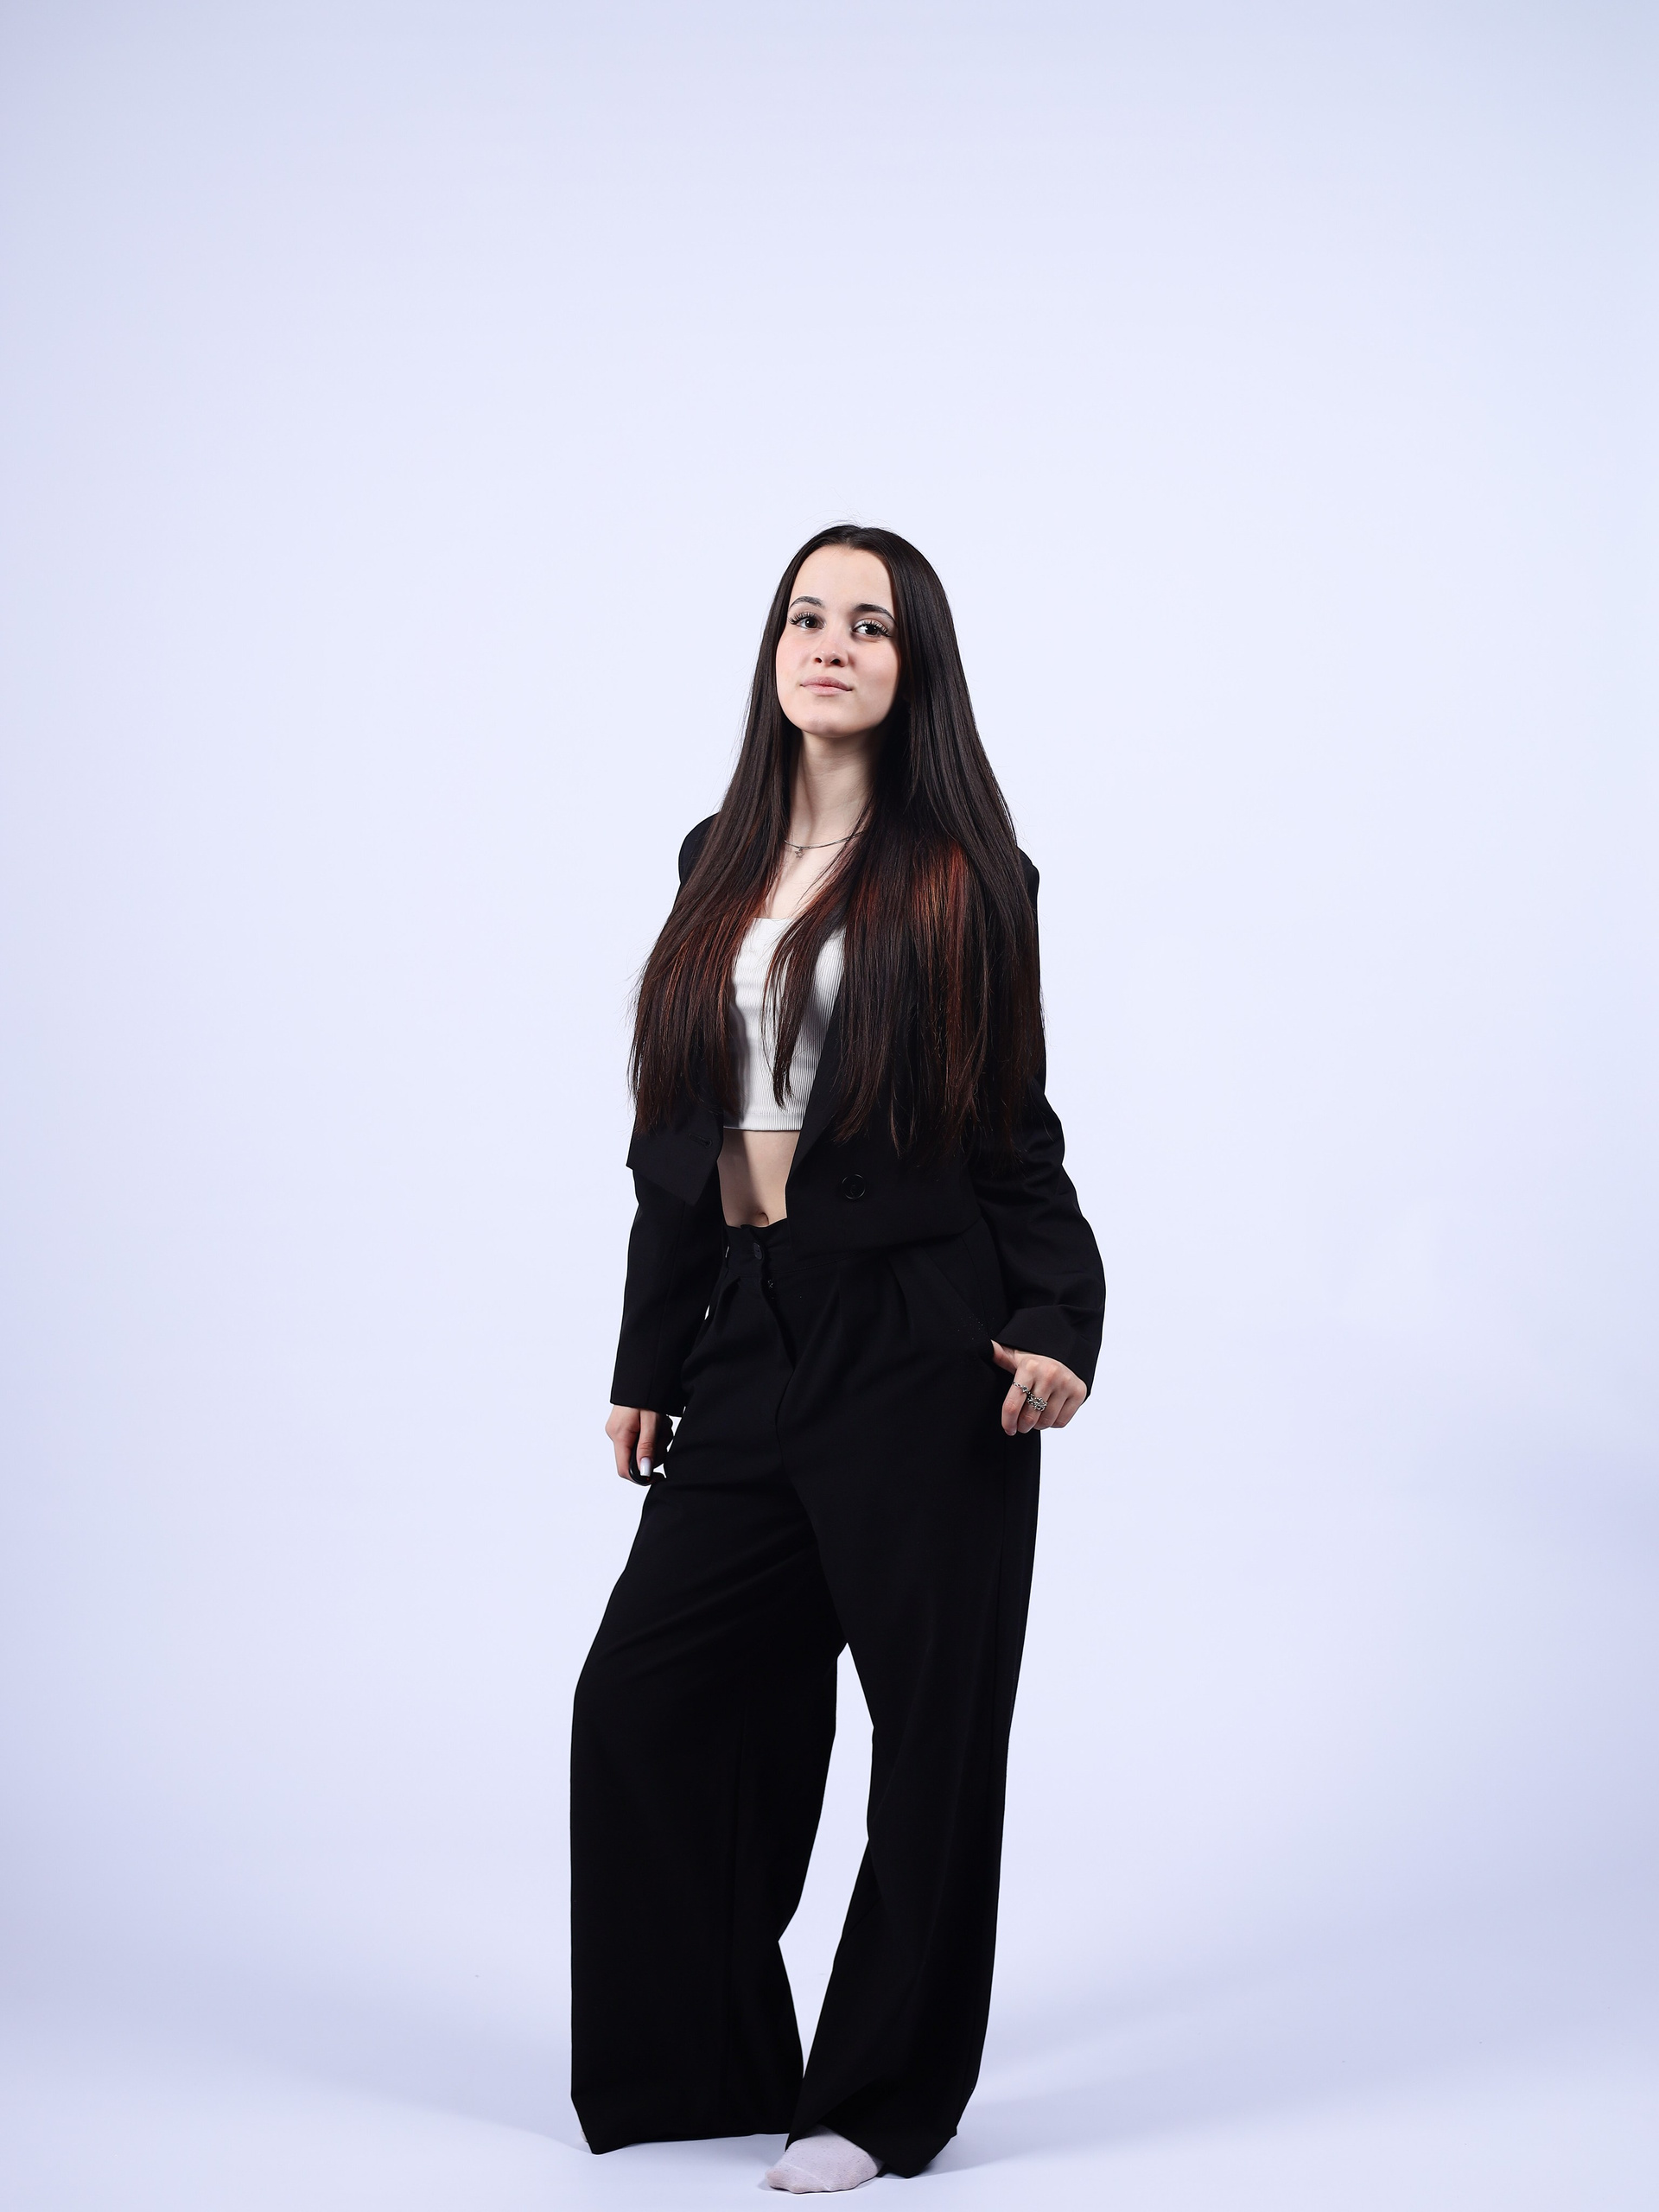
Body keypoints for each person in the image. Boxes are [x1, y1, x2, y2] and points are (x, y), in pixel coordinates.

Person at [570, 524, 1105, 2193]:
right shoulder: (714, 856)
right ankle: (706, 2061)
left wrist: (1059, 1324)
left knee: (931, 1732)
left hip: (924, 1338)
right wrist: (651, 1354)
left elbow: (1015, 1133)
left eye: (870, 624)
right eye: (807, 616)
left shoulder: (969, 877)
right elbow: (673, 1137)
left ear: (913, 663)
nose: (832, 644)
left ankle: (878, 2096)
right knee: (647, 1699)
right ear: (773, 652)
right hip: (748, 1324)